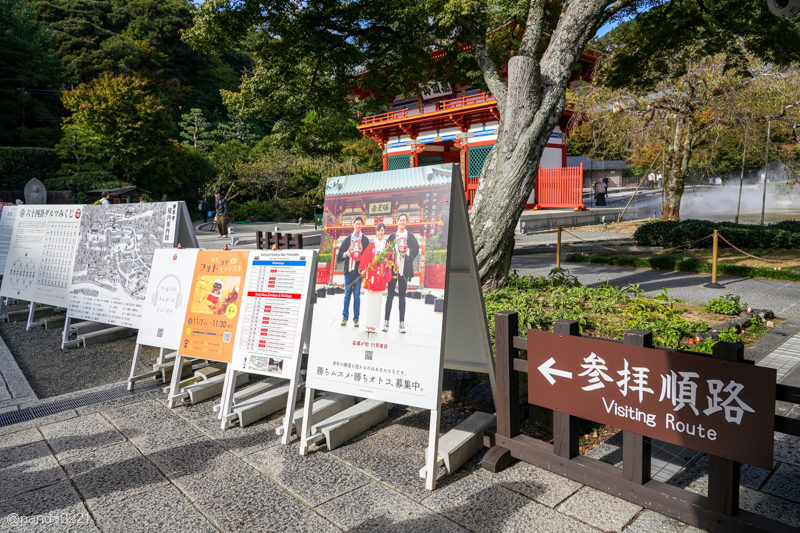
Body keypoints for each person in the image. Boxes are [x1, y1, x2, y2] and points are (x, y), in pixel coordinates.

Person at [384, 213, 419, 333]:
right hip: (393, 268)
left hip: (404, 269)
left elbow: (416, 250)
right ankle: (386, 321)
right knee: (390, 296)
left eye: (404, 220)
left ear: (406, 222)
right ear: (397, 222)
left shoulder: (410, 236)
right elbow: (386, 250)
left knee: (402, 297)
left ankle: (401, 323)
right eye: (400, 220)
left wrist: (407, 250)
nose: (402, 222)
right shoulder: (392, 236)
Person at [359, 223, 393, 333]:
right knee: (369, 300)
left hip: (381, 275)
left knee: (378, 300)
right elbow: (365, 258)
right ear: (376, 232)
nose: (380, 232)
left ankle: (374, 325)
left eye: (382, 230)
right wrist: (364, 270)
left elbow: (390, 259)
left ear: (384, 232)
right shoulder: (372, 245)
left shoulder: (387, 245)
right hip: (371, 274)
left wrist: (388, 263)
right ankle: (368, 324)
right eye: (378, 230)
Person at [337, 216, 370, 327]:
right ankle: (344, 317)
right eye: (356, 223)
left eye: (360, 224)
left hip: (358, 272)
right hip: (348, 271)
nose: (358, 226)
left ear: (361, 225)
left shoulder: (364, 240)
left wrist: (364, 267)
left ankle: (356, 319)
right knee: (347, 294)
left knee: (357, 295)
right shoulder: (347, 239)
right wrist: (345, 254)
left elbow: (368, 255)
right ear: (353, 224)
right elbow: (340, 254)